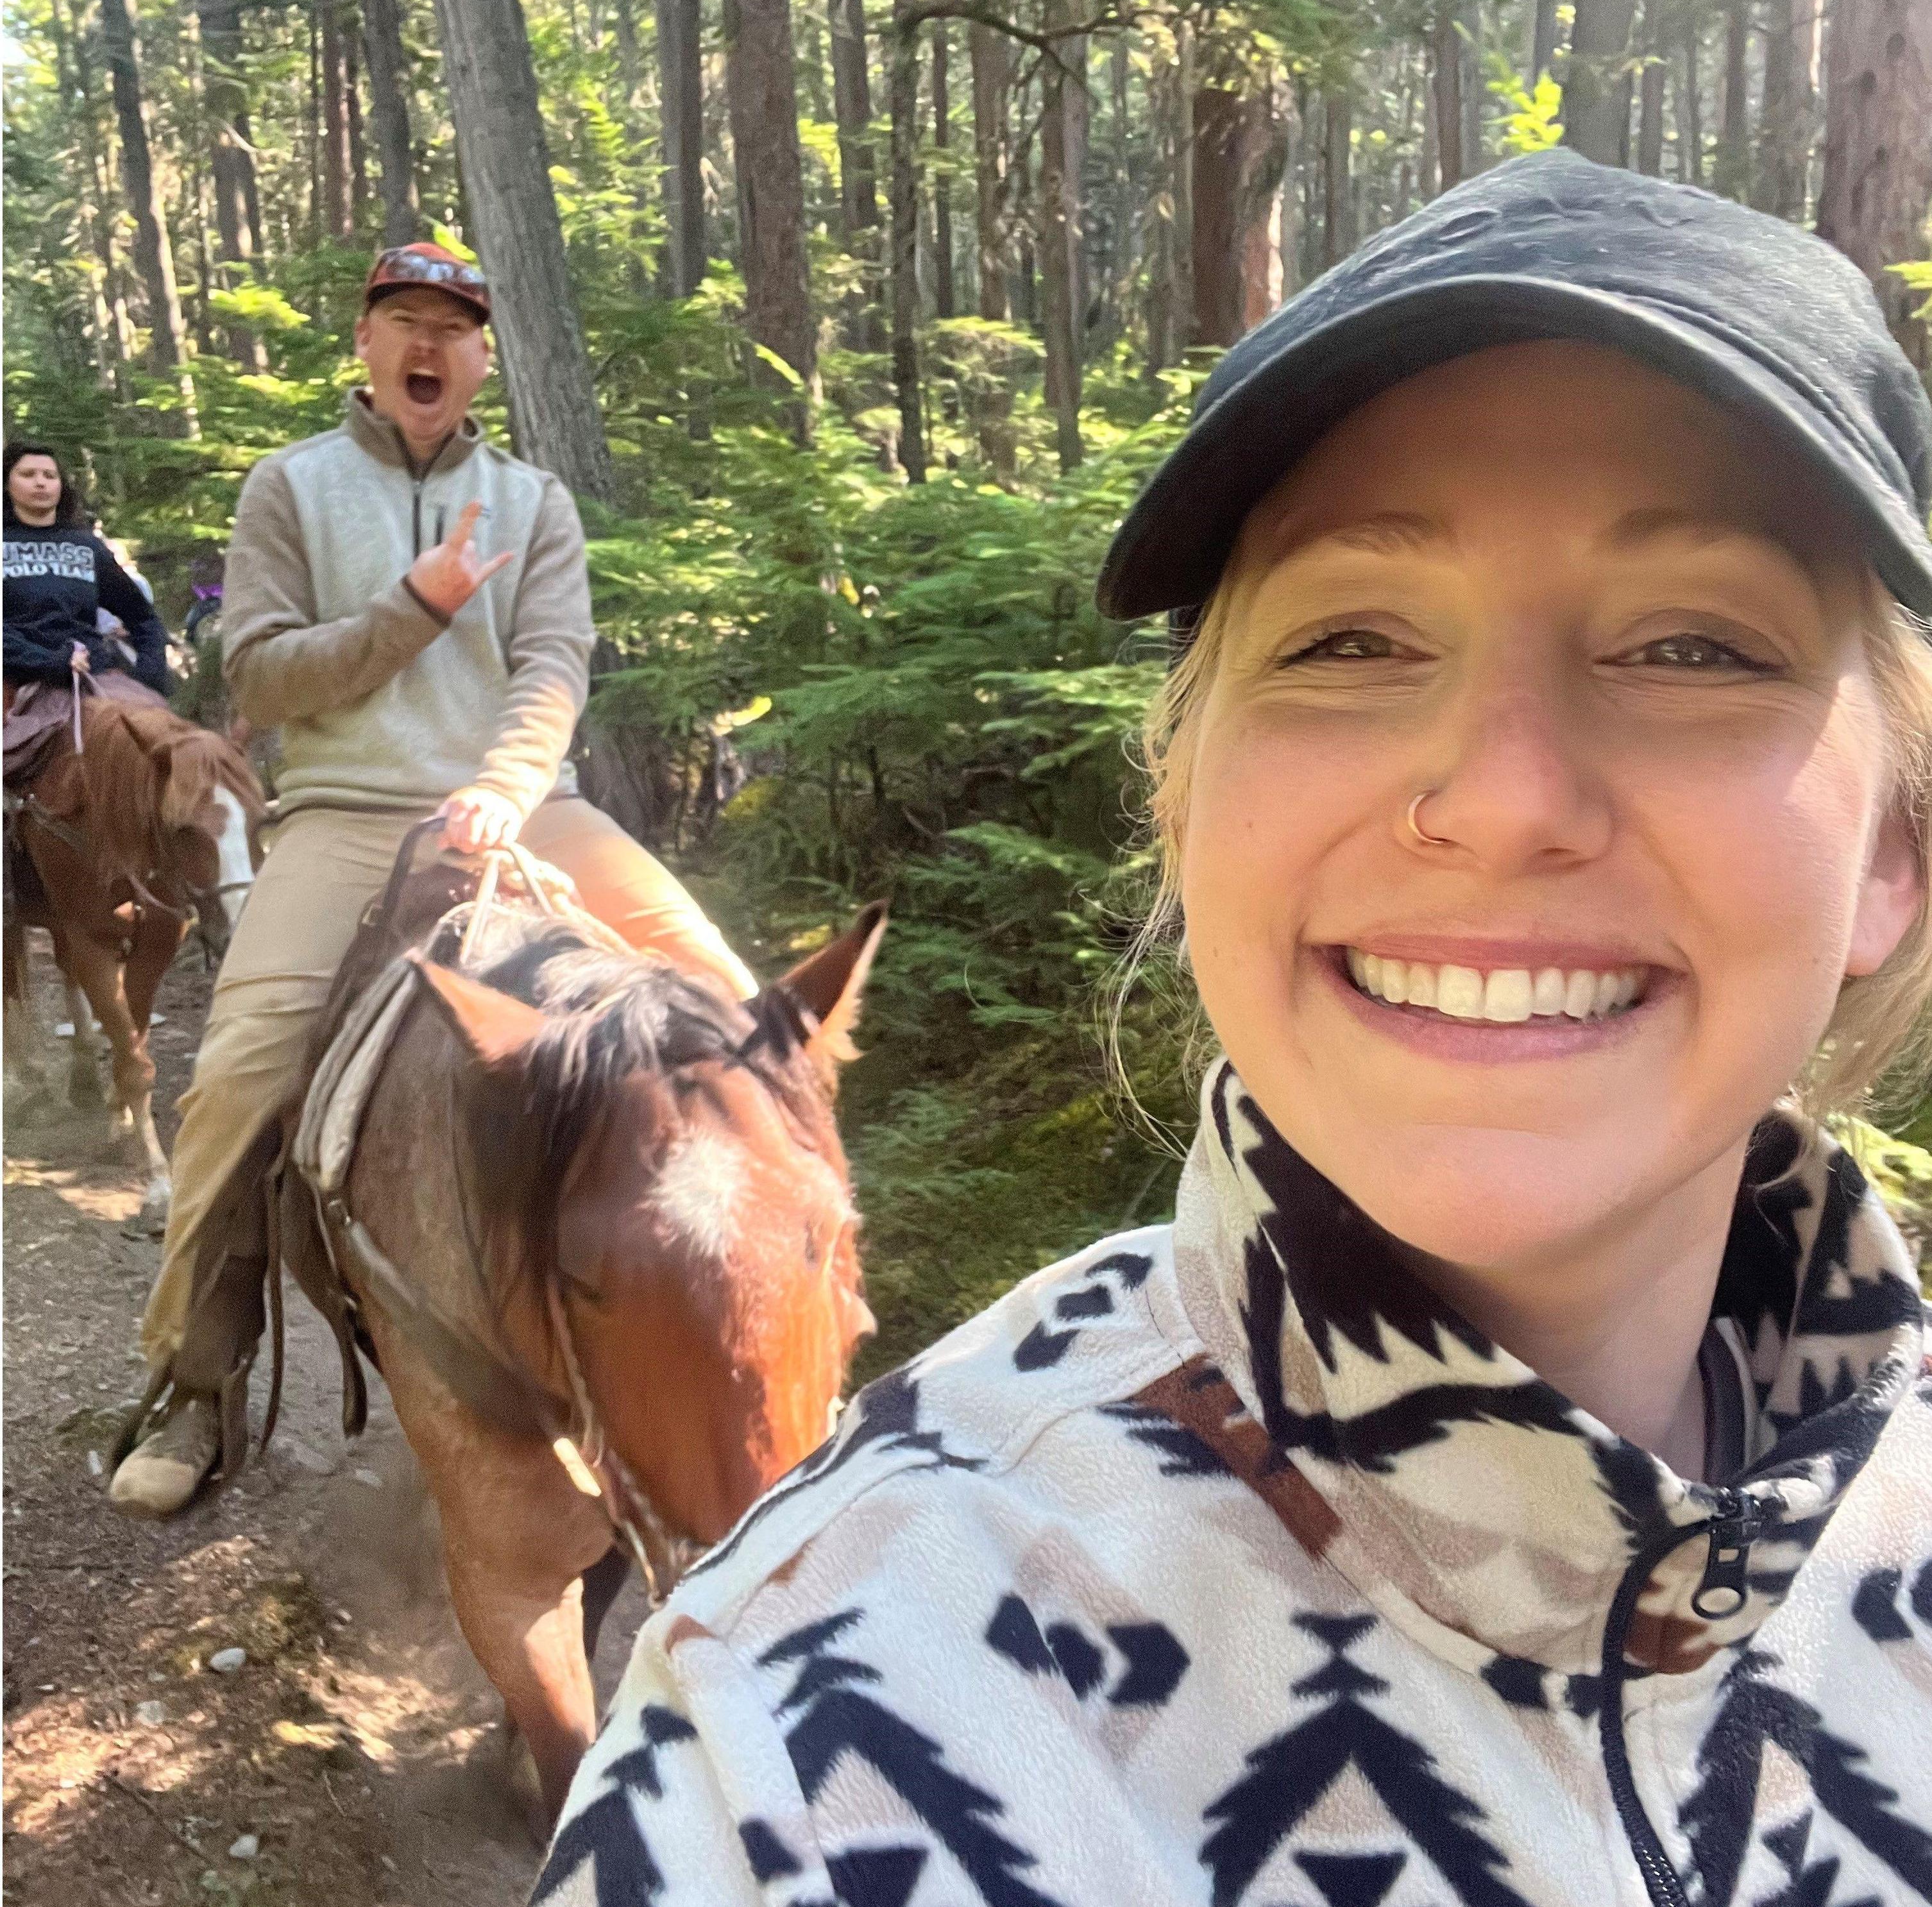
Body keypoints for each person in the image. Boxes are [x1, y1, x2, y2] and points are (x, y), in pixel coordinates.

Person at [536, 154, 1932, 1905]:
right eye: (1349, 638)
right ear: (1181, 807)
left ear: (1894, 847)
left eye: (1692, 649)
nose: (1504, 798)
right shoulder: (794, 1753)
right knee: (273, 1029)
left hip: (523, 749)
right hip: (402, 799)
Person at [108, 242, 759, 1519]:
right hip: (347, 815)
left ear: (480, 359)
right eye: (404, 319)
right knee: (238, 1077)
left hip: (526, 806)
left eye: (453, 328)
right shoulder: (289, 486)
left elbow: (556, 661)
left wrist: (509, 783)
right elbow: (261, 677)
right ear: (365, 342)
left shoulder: (534, 500)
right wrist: (414, 605)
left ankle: (763, 1317)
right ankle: (196, 1372)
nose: (428, 344)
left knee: (740, 1009)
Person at [4, 443, 171, 782]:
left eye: (50, 475)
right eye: (28, 474)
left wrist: (149, 675)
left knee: (163, 740)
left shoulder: (87, 547)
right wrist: (50, 661)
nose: (41, 482)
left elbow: (143, 618)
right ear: (7, 484)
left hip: (92, 674)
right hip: (14, 675)